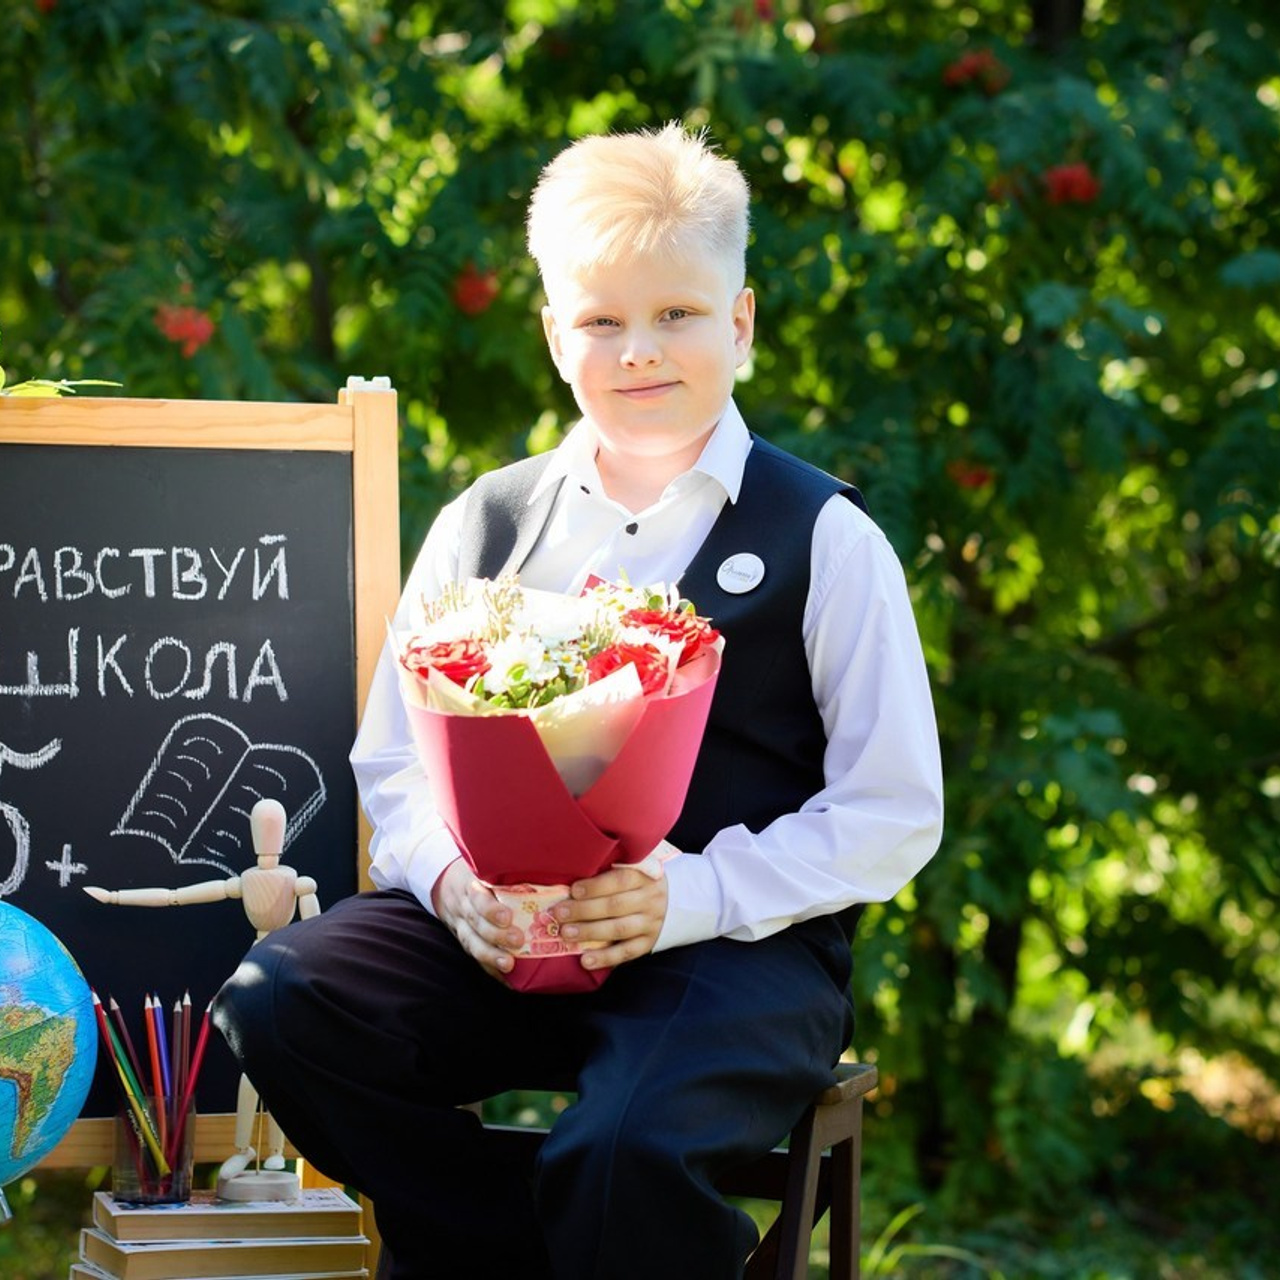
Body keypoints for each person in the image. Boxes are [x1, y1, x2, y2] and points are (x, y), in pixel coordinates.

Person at [213, 122, 943, 1280]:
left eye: (676, 315)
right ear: (556, 335)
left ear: (740, 323)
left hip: (729, 952)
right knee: (280, 1001)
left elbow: (892, 808)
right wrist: (452, 886)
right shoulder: (486, 523)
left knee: (621, 1150)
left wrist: (690, 893)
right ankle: (502, 1252)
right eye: (601, 320)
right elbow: (394, 761)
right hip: (496, 941)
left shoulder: (824, 538)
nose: (637, 349)